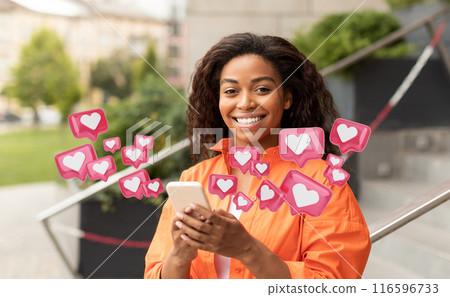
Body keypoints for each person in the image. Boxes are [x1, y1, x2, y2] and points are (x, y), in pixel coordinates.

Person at [144, 32, 371, 279]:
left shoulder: (323, 182)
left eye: (262, 89)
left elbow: (334, 284)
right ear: (218, 100)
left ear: (287, 98)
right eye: (231, 91)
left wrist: (247, 248)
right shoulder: (194, 178)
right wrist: (179, 255)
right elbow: (155, 280)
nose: (245, 103)